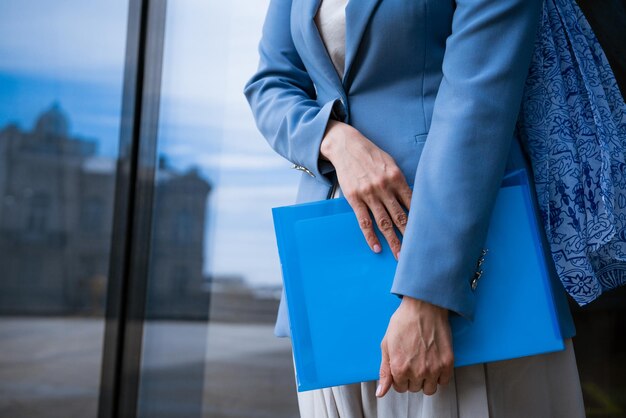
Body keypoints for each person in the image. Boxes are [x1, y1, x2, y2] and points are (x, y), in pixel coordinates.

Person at [244, 0, 589, 416]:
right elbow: (270, 83)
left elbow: (478, 104)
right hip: (330, 277)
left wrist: (427, 298)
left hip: (453, 268)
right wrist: (333, 139)